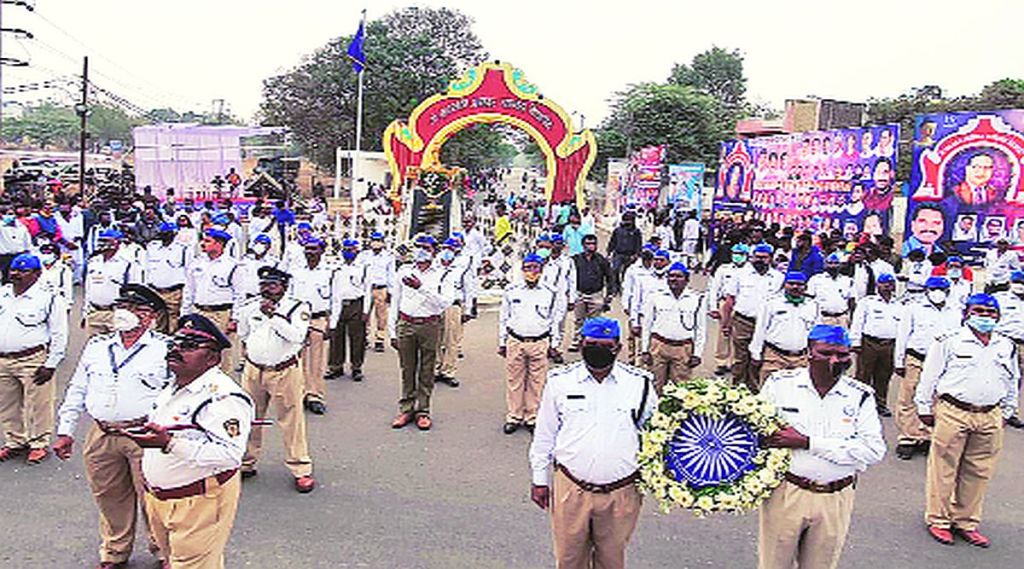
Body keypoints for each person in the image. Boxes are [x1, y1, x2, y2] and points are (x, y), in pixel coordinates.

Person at [119, 314, 252, 569]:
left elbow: (230, 456)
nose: (177, 350)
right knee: (173, 560)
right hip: (160, 497)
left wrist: (168, 443)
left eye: (190, 345)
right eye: (175, 344)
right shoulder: (174, 385)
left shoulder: (223, 398)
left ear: (213, 358)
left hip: (199, 501)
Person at [54, 284, 170, 569]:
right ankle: (115, 551)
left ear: (150, 316)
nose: (125, 315)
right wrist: (65, 430)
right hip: (102, 432)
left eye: (134, 309)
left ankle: (165, 551)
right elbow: (78, 387)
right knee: (109, 496)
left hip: (144, 433)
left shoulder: (165, 349)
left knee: (154, 499)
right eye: (122, 308)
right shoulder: (97, 346)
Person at [528, 317, 656, 569]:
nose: (597, 350)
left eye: (605, 345)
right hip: (571, 489)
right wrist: (539, 480)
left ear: (618, 348)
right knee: (568, 560)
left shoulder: (639, 384)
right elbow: (545, 435)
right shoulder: (560, 382)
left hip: (621, 493)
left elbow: (652, 436)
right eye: (591, 344)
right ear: (582, 343)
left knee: (612, 561)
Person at [758, 324, 885, 569]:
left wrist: (808, 443)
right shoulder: (780, 385)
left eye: (842, 354)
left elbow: (872, 450)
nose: (835, 360)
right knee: (773, 563)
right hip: (787, 492)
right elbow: (759, 433)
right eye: (826, 353)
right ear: (809, 353)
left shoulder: (860, 396)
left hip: (835, 497)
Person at [915, 293, 1019, 547]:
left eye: (991, 313)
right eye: (979, 311)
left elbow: (1012, 379)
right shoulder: (949, 341)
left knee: (979, 471)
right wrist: (923, 406)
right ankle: (938, 520)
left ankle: (966, 521)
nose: (985, 316)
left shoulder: (1006, 345)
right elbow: (930, 377)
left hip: (990, 414)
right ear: (967, 313)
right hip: (954, 410)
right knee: (944, 468)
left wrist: (1007, 410)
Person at [236, 266, 315, 492]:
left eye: (272, 285)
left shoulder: (298, 307)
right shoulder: (251, 306)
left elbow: (297, 336)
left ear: (283, 287)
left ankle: (300, 467)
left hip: (284, 370)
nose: (267, 290)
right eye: (263, 285)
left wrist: (274, 316)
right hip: (254, 369)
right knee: (250, 417)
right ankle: (246, 462)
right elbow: (243, 333)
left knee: (291, 419)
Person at [0, 253, 68, 464]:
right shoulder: (3, 294)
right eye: (14, 270)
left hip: (32, 358)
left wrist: (51, 363)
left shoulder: (49, 297)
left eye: (23, 271)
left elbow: (59, 333)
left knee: (38, 404)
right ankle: (15, 441)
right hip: (3, 359)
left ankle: (38, 443)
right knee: (7, 404)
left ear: (37, 274)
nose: (16, 274)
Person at [893, 276, 963, 461]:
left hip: (943, 362)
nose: (937, 293)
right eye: (933, 289)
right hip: (917, 358)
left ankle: (928, 436)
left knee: (936, 399)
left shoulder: (955, 311)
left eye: (941, 289)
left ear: (948, 292)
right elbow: (903, 335)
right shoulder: (914, 308)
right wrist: (899, 362)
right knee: (909, 397)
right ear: (926, 290)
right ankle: (908, 437)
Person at [498, 253, 564, 434]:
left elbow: (555, 319)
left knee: (537, 382)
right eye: (527, 268)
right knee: (514, 381)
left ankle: (532, 417)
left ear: (541, 270)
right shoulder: (512, 290)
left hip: (539, 341)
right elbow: (504, 317)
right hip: (515, 340)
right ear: (522, 270)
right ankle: (514, 416)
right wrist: (502, 341)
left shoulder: (550, 292)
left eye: (535, 268)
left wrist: (554, 343)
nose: (531, 272)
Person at [389, 236, 447, 431]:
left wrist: (420, 287)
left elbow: (443, 303)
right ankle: (406, 408)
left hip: (429, 325)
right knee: (407, 369)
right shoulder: (404, 271)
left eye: (426, 247)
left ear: (434, 251)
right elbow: (395, 300)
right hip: (406, 323)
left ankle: (423, 410)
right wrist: (392, 331)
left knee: (427, 369)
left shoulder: (442, 274)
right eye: (419, 247)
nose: (422, 251)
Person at [721, 243, 784, 390]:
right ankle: (737, 390)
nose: (760, 260)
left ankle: (754, 390)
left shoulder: (778, 278)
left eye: (764, 257)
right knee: (740, 359)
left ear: (771, 259)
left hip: (766, 326)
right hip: (743, 322)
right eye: (757, 257)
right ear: (752, 257)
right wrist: (726, 323)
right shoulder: (740, 275)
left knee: (759, 358)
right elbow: (730, 300)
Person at [640, 262, 706, 393]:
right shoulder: (655, 296)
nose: (673, 279)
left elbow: (700, 329)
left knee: (681, 389)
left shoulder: (697, 299)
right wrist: (645, 350)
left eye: (678, 276)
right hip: (659, 346)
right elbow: (647, 325)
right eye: (670, 276)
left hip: (683, 349)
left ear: (687, 280)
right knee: (655, 384)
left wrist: (697, 354)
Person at [182, 228, 241, 373]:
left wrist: (235, 319)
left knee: (222, 352)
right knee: (198, 349)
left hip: (221, 314)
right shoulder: (196, 264)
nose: (203, 244)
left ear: (219, 244)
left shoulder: (233, 265)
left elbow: (239, 295)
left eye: (208, 241)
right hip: (199, 312)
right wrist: (185, 315)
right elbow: (189, 291)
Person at [751, 271, 821, 386]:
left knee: (799, 392)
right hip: (775, 356)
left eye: (799, 284)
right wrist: (756, 353)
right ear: (784, 284)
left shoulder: (813, 306)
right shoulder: (771, 303)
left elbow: (816, 334)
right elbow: (760, 329)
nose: (795, 287)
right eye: (791, 283)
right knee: (769, 393)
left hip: (801, 359)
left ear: (805, 287)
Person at [849, 273, 903, 417]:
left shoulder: (900, 305)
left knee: (884, 376)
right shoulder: (868, 302)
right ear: (877, 285)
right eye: (884, 283)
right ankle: (858, 403)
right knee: (863, 375)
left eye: (890, 283)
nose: (887, 286)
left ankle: (880, 404)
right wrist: (855, 342)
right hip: (869, 343)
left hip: (890, 345)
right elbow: (858, 322)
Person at [84, 229, 143, 337]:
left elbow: (135, 289)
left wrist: (130, 313)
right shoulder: (94, 261)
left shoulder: (127, 262)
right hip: (94, 311)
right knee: (94, 347)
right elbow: (88, 288)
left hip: (116, 312)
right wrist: (85, 313)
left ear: (118, 242)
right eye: (102, 240)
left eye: (108, 241)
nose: (104, 244)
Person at [328, 238, 371, 382]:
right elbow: (333, 289)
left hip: (356, 304)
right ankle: (336, 366)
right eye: (346, 249)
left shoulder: (363, 268)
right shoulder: (336, 268)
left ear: (357, 251)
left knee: (357, 338)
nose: (348, 252)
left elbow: (368, 290)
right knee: (336, 336)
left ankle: (356, 367)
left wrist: (366, 311)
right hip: (339, 304)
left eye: (351, 249)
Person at [435, 237, 474, 387]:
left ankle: (448, 371)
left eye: (450, 249)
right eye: (445, 248)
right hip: (437, 306)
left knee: (451, 340)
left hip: (453, 305)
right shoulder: (436, 266)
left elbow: (469, 290)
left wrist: (468, 309)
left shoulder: (462, 269)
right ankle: (436, 368)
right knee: (436, 338)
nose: (447, 252)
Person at [144, 222, 193, 333]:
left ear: (174, 233)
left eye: (167, 233)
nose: (164, 236)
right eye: (162, 233)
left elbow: (188, 271)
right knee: (157, 320)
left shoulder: (183, 249)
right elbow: (147, 268)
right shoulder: (152, 247)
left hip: (173, 292)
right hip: (155, 290)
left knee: (173, 321)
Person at [708, 243, 747, 375]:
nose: (738, 257)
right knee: (724, 333)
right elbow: (714, 289)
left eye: (741, 255)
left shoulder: (749, 271)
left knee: (739, 335)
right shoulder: (724, 269)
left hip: (742, 305)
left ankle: (735, 362)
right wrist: (713, 307)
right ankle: (721, 362)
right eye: (736, 254)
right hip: (725, 303)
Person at [570, 234, 613, 352]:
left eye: (593, 243)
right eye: (588, 244)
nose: (591, 246)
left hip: (596, 294)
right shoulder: (575, 259)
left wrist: (609, 294)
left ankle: (592, 342)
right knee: (579, 320)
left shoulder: (601, 260)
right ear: (583, 245)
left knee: (595, 320)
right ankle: (577, 341)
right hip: (580, 294)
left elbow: (609, 277)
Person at [992, 271, 1024, 429]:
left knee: (1017, 378)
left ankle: (1011, 411)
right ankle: (993, 405)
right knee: (998, 373)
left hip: (1022, 344)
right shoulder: (1000, 298)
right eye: (1018, 282)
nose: (1020, 285)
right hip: (1003, 340)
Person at [541, 233, 576, 361]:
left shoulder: (568, 261)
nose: (558, 246)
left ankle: (556, 348)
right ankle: (547, 347)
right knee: (546, 322)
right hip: (544, 296)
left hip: (561, 297)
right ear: (550, 244)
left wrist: (572, 299)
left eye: (560, 243)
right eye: (555, 243)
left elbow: (572, 281)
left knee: (559, 323)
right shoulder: (544, 261)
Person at [359, 231, 395, 353]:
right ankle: (364, 338)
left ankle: (379, 340)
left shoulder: (388, 256)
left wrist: (390, 291)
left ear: (383, 242)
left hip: (381, 288)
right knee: (365, 314)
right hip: (366, 289)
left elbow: (391, 275)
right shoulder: (364, 256)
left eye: (378, 241)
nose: (376, 243)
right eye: (374, 240)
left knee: (381, 316)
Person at [807, 253, 853, 327]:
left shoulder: (847, 280)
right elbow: (809, 299)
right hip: (823, 318)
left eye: (836, 263)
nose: (833, 266)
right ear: (825, 265)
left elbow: (852, 301)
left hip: (842, 319)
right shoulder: (816, 279)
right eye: (830, 263)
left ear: (840, 265)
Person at [607, 211, 642, 295]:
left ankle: (626, 290)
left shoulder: (636, 231)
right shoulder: (617, 230)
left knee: (626, 274)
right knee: (614, 270)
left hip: (630, 256)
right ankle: (616, 288)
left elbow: (639, 244)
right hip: (618, 254)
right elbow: (612, 242)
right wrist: (609, 252)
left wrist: (637, 254)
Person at [0, 204, 32, 282]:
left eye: (11, 214)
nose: (9, 216)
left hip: (20, 256)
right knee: (6, 279)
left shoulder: (22, 226)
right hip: (5, 257)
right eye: (6, 214)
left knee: (20, 279)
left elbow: (27, 242)